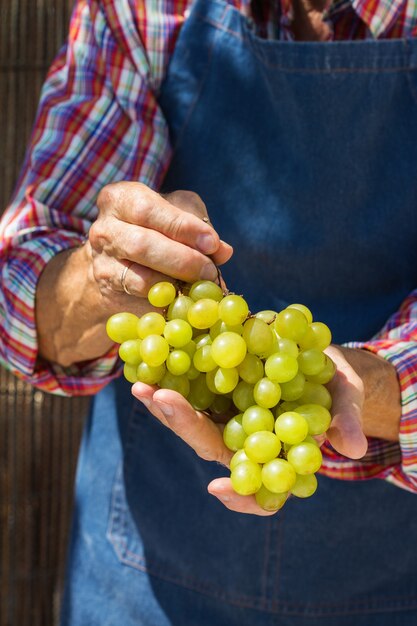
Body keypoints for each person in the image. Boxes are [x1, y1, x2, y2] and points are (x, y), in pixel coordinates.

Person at [1, 0, 417, 624]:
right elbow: (25, 294)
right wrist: (102, 275)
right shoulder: (143, 10)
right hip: (139, 586)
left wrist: (374, 388)